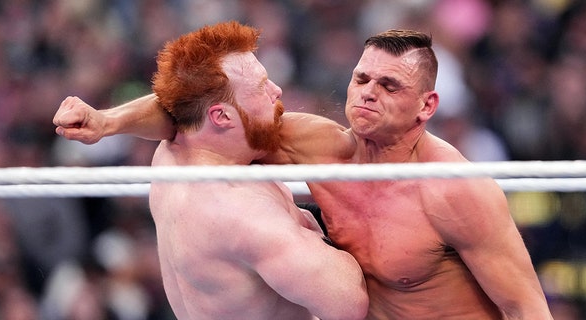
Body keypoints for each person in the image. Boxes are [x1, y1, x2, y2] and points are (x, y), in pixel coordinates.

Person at [54, 27, 552, 319]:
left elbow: (528, 309)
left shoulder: (452, 189)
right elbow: (195, 117)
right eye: (360, 77)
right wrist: (107, 121)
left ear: (427, 107)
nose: (367, 92)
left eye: (389, 85)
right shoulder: (314, 144)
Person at [54, 22, 369, 320]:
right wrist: (321, 223)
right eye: (261, 87)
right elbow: (348, 303)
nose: (277, 90)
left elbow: (177, 101)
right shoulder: (245, 216)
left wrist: (108, 122)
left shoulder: (171, 152)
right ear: (221, 117)